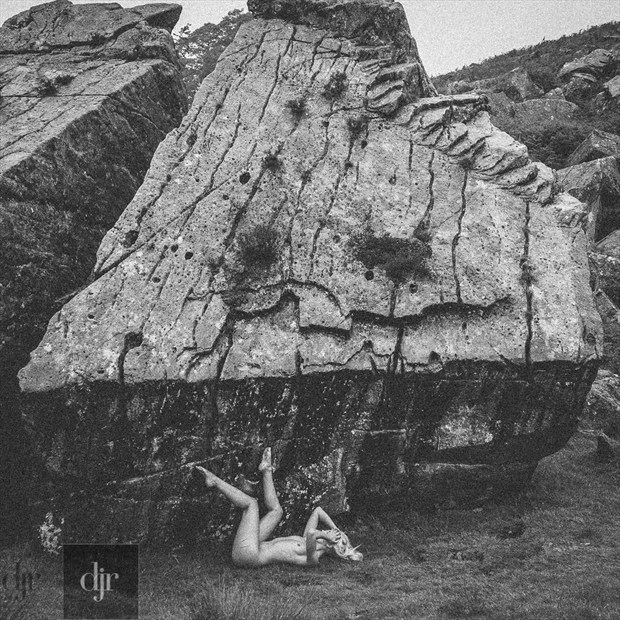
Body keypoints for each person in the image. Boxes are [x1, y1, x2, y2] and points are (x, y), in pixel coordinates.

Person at [195, 447, 363, 567]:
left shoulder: (314, 557)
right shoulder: (306, 540)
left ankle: (214, 481)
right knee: (277, 511)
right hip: (254, 545)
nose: (328, 531)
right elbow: (318, 511)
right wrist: (336, 528)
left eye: (333, 535)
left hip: (248, 555)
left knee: (251, 504)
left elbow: (313, 533)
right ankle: (267, 470)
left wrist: (328, 537)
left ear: (332, 544)